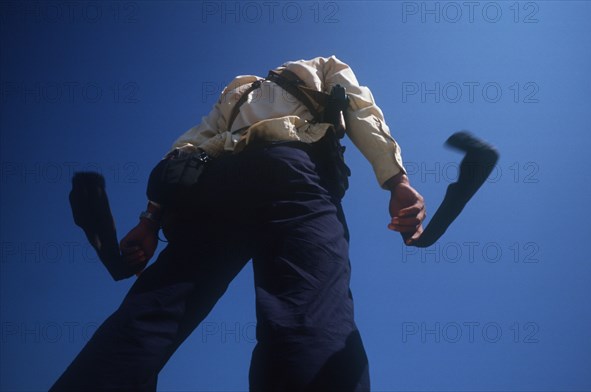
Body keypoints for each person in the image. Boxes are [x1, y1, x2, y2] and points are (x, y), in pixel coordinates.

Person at [50, 55, 426, 392]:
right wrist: (396, 180)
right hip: (293, 174)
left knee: (154, 308)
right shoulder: (323, 65)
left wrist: (151, 220)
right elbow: (362, 111)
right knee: (307, 312)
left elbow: (184, 151)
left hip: (216, 186)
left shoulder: (235, 91)